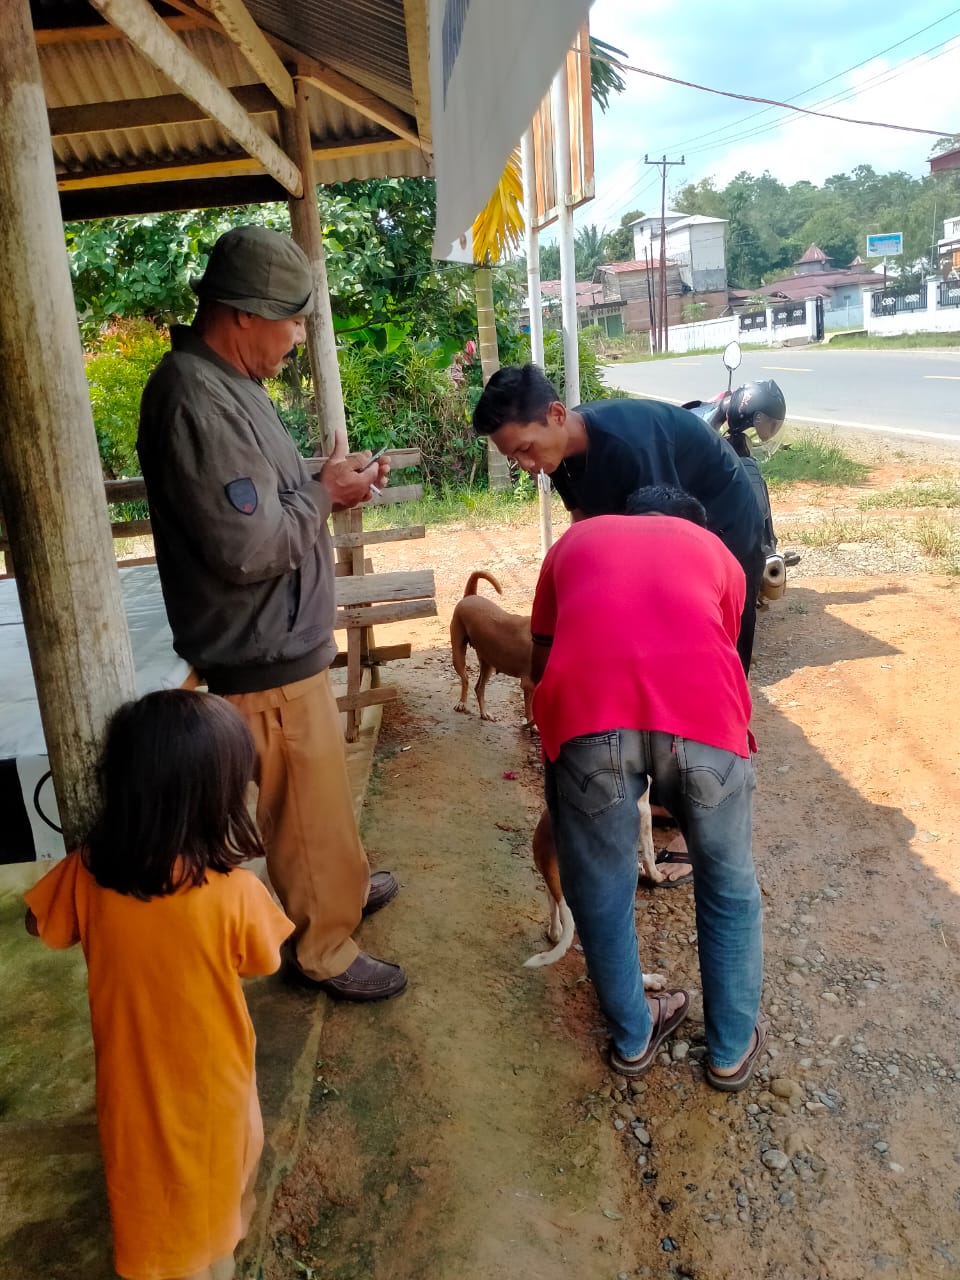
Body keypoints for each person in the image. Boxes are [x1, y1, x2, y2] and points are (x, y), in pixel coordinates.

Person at [137, 224, 406, 1001]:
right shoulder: (194, 396)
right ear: (244, 315)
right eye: (291, 319)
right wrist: (327, 492)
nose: (295, 336)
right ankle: (323, 945)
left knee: (319, 796)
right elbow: (247, 549)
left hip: (281, 641)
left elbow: (274, 504)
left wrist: (327, 480)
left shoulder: (229, 384)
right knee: (301, 809)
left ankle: (341, 893)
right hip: (258, 652)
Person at [24, 690, 295, 1280]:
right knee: (218, 1207)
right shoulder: (236, 894)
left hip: (130, 1092)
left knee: (149, 1202)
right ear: (213, 800)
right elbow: (265, 960)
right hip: (217, 1089)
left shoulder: (86, 873)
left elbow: (38, 920)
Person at [528, 485, 766, 1089]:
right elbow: (724, 646)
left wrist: (557, 747)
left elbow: (542, 653)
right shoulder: (718, 553)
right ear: (692, 522)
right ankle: (730, 1051)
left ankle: (635, 1037)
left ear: (629, 516)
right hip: (704, 722)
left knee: (601, 889)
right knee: (728, 885)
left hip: (588, 721)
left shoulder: (575, 540)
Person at [472, 363, 767, 675]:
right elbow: (586, 530)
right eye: (513, 457)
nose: (526, 464)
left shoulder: (632, 447)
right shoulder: (556, 457)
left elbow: (667, 553)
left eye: (526, 449)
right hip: (669, 524)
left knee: (711, 643)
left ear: (556, 415)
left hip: (724, 518)